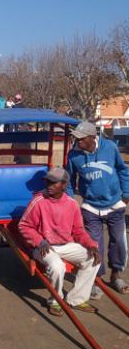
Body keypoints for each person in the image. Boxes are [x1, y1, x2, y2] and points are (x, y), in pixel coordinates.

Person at [19, 166, 101, 316]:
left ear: (64, 185)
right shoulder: (38, 201)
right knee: (57, 266)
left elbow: (78, 230)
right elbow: (24, 226)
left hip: (66, 244)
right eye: (47, 182)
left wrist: (92, 245)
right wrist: (40, 241)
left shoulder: (71, 204)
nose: (49, 186)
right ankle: (55, 300)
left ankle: (76, 299)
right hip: (44, 246)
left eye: (53, 183)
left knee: (93, 259)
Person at [66, 121, 129, 296]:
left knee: (118, 242)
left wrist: (126, 194)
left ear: (92, 138)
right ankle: (96, 279)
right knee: (93, 245)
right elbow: (70, 181)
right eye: (76, 139)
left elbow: (123, 170)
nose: (77, 142)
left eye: (81, 139)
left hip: (115, 204)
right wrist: (71, 203)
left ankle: (116, 275)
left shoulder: (109, 148)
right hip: (90, 207)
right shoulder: (73, 155)